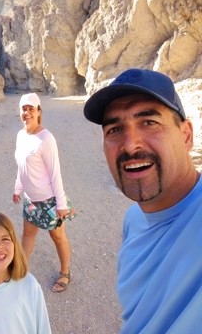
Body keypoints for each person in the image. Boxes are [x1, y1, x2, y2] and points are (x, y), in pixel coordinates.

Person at [83, 68, 202, 333]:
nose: (130, 145)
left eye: (149, 122)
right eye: (115, 129)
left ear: (186, 135)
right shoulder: (134, 219)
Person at [13, 93, 76, 293]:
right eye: (24, 109)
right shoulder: (21, 135)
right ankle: (20, 271)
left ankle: (65, 272)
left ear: (39, 111)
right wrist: (18, 188)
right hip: (30, 200)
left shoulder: (46, 138)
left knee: (58, 237)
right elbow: (22, 166)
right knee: (28, 234)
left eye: (31, 109)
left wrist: (61, 204)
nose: (27, 113)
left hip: (48, 200)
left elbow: (55, 173)